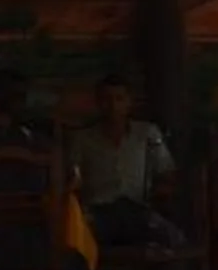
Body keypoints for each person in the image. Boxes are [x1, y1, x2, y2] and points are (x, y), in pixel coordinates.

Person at [72, 76, 181, 250]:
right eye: (106, 99)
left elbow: (166, 170)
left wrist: (161, 191)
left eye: (119, 99)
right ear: (98, 103)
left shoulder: (148, 133)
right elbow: (73, 179)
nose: (113, 105)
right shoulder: (83, 139)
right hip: (99, 211)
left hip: (138, 209)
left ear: (129, 102)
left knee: (171, 239)